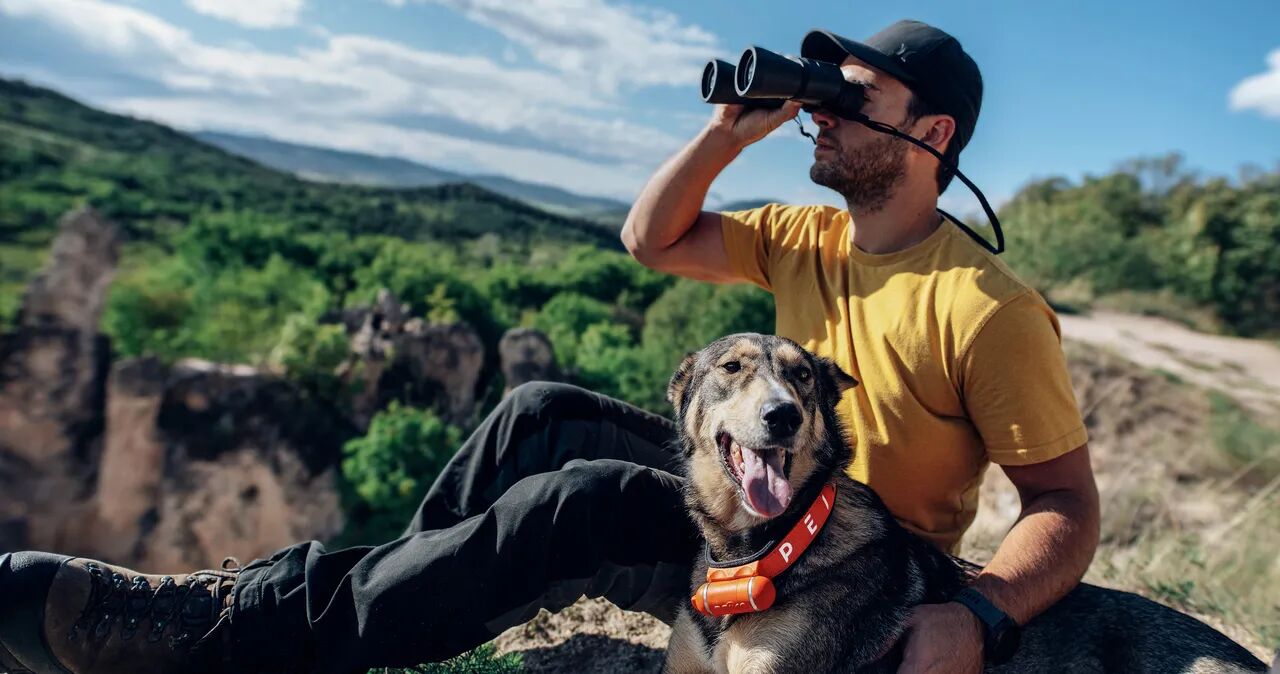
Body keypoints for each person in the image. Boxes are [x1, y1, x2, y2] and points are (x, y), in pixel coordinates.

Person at [0, 19, 1099, 674]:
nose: (823, 112)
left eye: (852, 97)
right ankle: (377, 605)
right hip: (748, 495)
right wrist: (726, 131)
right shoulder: (805, 233)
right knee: (538, 412)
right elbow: (648, 238)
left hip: (836, 562)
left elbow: (1064, 503)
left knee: (573, 500)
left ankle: (222, 632)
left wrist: (978, 613)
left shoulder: (985, 306)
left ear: (931, 133)